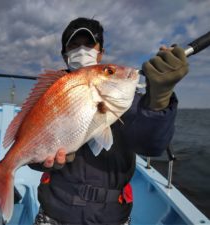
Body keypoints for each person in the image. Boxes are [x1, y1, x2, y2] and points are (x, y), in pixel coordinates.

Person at [30, 17, 189, 225]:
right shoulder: (51, 94)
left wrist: (159, 97)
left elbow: (151, 145)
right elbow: (32, 146)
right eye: (74, 45)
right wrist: (43, 162)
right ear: (65, 54)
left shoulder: (122, 97)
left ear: (100, 52)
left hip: (110, 217)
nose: (82, 50)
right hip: (55, 211)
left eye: (89, 44)